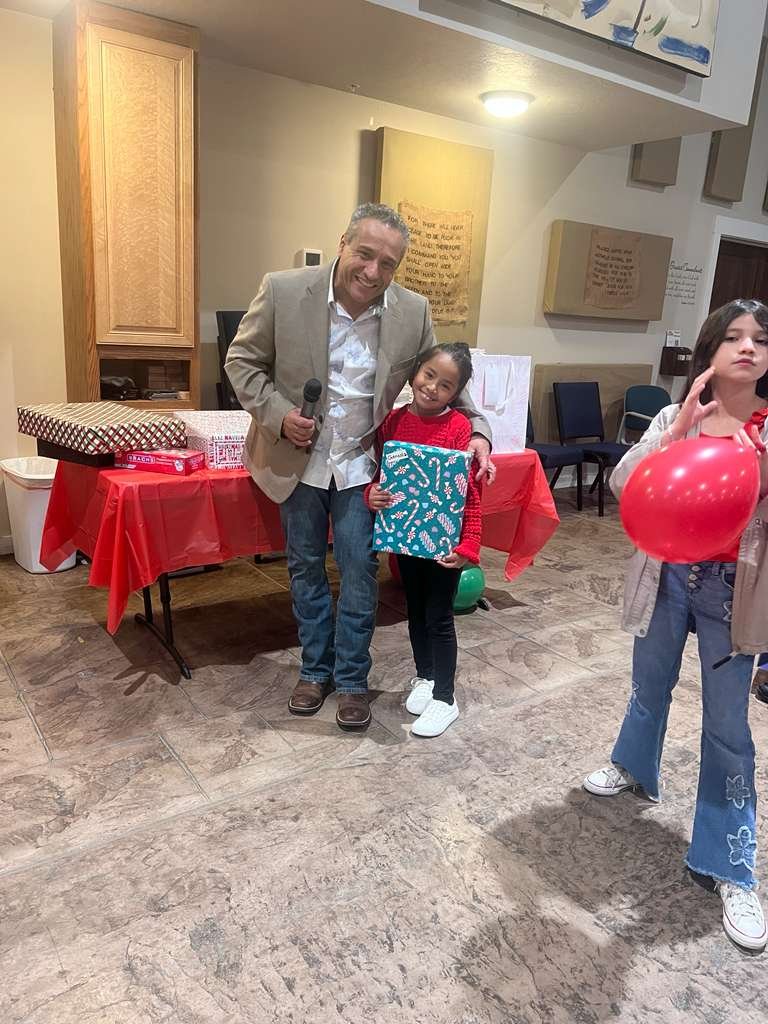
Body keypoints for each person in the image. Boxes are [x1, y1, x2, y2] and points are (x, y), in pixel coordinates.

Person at [225, 203, 493, 732]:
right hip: (296, 461)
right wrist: (279, 416)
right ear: (343, 242)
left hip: (363, 467)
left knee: (359, 573)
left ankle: (351, 679)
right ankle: (314, 670)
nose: (373, 271)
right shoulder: (282, 289)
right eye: (365, 254)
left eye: (387, 263)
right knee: (305, 569)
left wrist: (479, 430)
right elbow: (242, 362)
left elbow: (444, 377)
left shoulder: (413, 311)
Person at [583, 298, 768, 952]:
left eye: (761, 339)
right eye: (734, 336)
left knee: (727, 725)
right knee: (649, 681)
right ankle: (633, 765)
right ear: (710, 348)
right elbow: (625, 484)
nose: (747, 347)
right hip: (665, 575)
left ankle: (731, 864)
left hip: (732, 589)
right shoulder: (674, 414)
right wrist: (677, 432)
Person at [365, 343, 482, 738]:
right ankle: (427, 677)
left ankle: (446, 699)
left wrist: (468, 547)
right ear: (415, 372)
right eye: (429, 375)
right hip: (406, 541)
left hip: (444, 546)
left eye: (445, 385)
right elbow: (379, 474)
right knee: (415, 611)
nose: (432, 388)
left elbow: (470, 493)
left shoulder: (460, 428)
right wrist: (371, 495)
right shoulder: (393, 422)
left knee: (439, 617)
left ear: (456, 392)